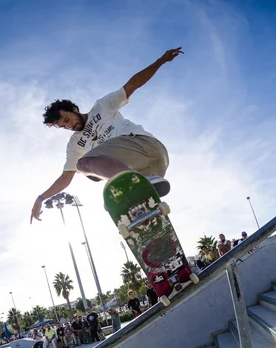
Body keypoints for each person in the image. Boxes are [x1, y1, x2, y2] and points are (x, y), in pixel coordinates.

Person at [30, 47, 186, 224]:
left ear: (74, 109)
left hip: (145, 145)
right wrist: (41, 198)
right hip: (153, 169)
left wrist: (161, 60)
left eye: (67, 119)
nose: (69, 125)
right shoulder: (75, 144)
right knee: (104, 189)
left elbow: (133, 84)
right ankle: (149, 219)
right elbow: (66, 177)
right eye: (63, 126)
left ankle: (133, 184)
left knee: (84, 163)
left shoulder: (102, 106)